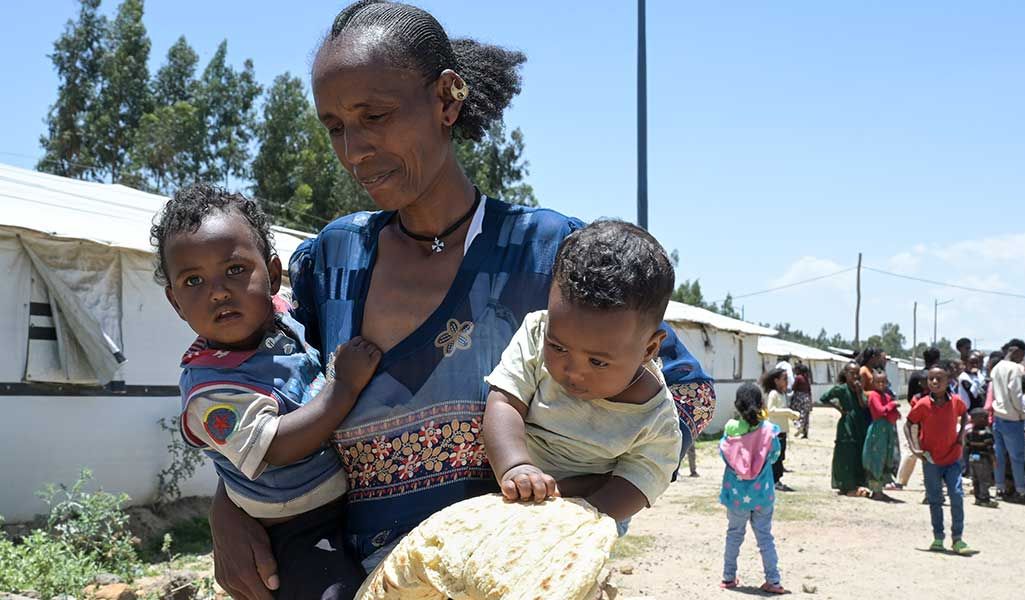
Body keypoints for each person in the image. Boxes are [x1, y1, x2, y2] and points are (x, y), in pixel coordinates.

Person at [209, 4, 716, 596]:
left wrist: (581, 509)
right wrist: (230, 504)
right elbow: (267, 391)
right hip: (369, 582)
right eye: (335, 127)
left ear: (447, 100)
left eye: (374, 115)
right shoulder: (333, 262)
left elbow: (688, 395)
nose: (354, 150)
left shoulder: (547, 254)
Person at [153, 186, 375, 599]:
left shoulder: (284, 316)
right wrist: (343, 387)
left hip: (348, 503)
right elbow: (276, 445)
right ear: (176, 303)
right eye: (193, 280)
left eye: (235, 269)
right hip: (295, 526)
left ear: (272, 275)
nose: (217, 291)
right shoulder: (210, 390)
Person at [481, 220, 683, 529]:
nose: (573, 372)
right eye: (558, 347)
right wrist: (516, 466)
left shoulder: (656, 420)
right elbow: (504, 403)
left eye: (598, 363)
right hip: (516, 493)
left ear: (648, 349)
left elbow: (639, 483)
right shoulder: (536, 333)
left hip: (590, 515)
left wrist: (575, 518)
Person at [718, 383, 790, 595]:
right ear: (761, 404)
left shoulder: (731, 428)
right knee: (765, 537)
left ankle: (728, 577)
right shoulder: (768, 430)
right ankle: (773, 580)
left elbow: (724, 454)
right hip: (763, 494)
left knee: (734, 534)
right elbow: (775, 455)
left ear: (737, 406)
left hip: (737, 495)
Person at [905, 366, 974, 555]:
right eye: (931, 379)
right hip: (931, 459)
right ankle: (938, 537)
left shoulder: (956, 402)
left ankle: (958, 538)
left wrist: (961, 436)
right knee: (935, 499)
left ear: (948, 381)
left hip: (952, 457)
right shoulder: (923, 404)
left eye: (939, 379)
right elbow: (909, 423)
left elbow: (965, 414)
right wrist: (914, 447)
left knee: (957, 495)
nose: (934, 382)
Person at [991, 339, 1025, 503]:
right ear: (1015, 351)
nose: (1022, 359)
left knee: (999, 455)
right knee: (1017, 456)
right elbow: (1016, 393)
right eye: (1022, 355)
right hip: (1012, 417)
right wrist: (1021, 412)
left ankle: (1000, 487)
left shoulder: (996, 367)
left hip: (998, 415)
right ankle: (1021, 490)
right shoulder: (1015, 368)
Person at [820, 362, 870, 497]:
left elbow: (864, 405)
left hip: (860, 423)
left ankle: (857, 482)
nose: (854, 376)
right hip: (847, 423)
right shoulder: (841, 389)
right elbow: (823, 398)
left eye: (856, 373)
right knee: (845, 454)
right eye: (851, 373)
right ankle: (844, 484)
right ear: (846, 374)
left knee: (858, 452)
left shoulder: (860, 389)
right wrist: (838, 408)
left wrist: (859, 392)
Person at [896, 347, 940, 487]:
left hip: (916, 417)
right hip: (933, 418)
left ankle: (901, 482)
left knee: (912, 449)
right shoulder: (939, 376)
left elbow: (909, 397)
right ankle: (936, 479)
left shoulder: (916, 375)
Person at [862, 371, 901, 499]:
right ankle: (876, 490)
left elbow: (894, 415)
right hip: (878, 431)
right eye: (878, 382)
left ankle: (880, 490)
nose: (881, 384)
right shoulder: (874, 395)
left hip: (886, 430)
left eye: (883, 382)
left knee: (886, 457)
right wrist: (892, 406)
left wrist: (891, 409)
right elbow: (880, 411)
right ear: (873, 383)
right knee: (876, 458)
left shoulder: (885, 395)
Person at [762, 363, 800, 491]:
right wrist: (788, 412)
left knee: (781, 456)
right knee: (775, 458)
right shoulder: (773, 394)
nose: (786, 381)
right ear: (776, 380)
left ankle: (776, 479)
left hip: (782, 430)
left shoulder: (782, 394)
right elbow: (771, 410)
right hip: (775, 431)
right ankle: (774, 480)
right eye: (784, 378)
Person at [965, 408, 997, 508]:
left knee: (976, 479)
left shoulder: (970, 432)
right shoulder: (986, 433)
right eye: (986, 418)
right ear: (982, 419)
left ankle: (978, 498)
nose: (988, 420)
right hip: (983, 458)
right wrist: (994, 460)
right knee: (984, 479)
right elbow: (989, 448)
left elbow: (967, 447)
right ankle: (985, 498)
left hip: (972, 458)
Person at [790, 364, 813, 439]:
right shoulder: (806, 379)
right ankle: (805, 433)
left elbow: (794, 387)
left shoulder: (798, 378)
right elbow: (809, 390)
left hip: (799, 397)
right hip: (807, 397)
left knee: (794, 413)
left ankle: (799, 426)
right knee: (806, 415)